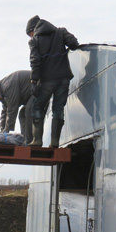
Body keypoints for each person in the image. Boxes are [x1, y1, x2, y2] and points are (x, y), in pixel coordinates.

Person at [25, 15, 80, 148]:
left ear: (33, 30)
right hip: (63, 78)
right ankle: (55, 142)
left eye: (30, 34)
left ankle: (37, 140)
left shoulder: (35, 41)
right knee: (58, 109)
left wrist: (34, 81)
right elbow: (74, 43)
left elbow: (35, 62)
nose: (31, 37)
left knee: (37, 107)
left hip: (47, 80)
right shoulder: (60, 32)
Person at [0, 70, 34, 142]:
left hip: (40, 88)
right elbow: (5, 111)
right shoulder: (2, 92)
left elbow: (12, 109)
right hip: (31, 94)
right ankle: (25, 139)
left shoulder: (8, 87)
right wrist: (1, 129)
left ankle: (29, 141)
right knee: (22, 114)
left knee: (28, 109)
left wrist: (6, 132)